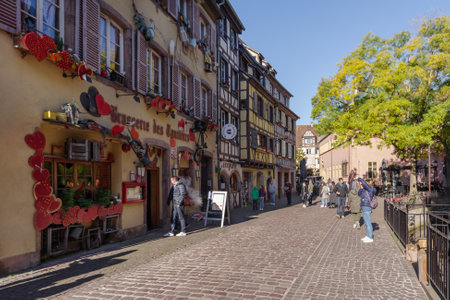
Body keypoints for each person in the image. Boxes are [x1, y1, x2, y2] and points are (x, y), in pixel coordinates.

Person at [358, 177, 376, 243]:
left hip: (367, 207)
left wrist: (359, 179)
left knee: (368, 223)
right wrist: (361, 188)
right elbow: (359, 194)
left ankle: (370, 237)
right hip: (363, 206)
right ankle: (367, 235)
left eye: (364, 184)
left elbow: (364, 183)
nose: (363, 184)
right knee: (366, 223)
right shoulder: (365, 190)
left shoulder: (371, 189)